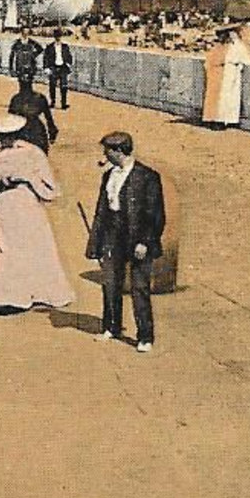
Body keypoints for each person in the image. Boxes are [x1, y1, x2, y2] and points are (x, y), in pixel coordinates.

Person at [0, 116, 74, 313]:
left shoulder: (32, 153)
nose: (3, 140)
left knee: (33, 247)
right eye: (0, 136)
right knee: (7, 248)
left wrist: (27, 179)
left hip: (26, 204)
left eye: (6, 136)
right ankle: (8, 296)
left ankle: (27, 296)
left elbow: (49, 184)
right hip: (5, 205)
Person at [85, 131, 166, 353]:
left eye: (107, 151)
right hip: (113, 235)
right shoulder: (108, 175)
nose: (104, 155)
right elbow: (101, 211)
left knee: (139, 287)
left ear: (119, 151)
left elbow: (155, 214)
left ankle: (145, 336)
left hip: (137, 238)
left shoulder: (148, 177)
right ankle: (111, 326)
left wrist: (145, 242)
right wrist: (97, 243)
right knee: (110, 283)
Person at [201, 25, 249, 128]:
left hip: (230, 74)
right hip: (219, 74)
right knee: (219, 98)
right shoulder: (219, 47)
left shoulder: (236, 46)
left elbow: (244, 59)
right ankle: (217, 120)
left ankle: (229, 120)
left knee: (230, 98)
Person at [6, 77, 58, 153]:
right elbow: (49, 119)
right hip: (36, 131)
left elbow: (10, 121)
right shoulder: (40, 98)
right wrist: (52, 132)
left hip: (22, 132)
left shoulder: (16, 99)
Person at [44, 29, 74, 109]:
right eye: (57, 36)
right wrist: (46, 67)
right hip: (53, 67)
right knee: (52, 85)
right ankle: (53, 102)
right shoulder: (49, 47)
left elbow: (69, 56)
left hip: (63, 67)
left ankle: (63, 103)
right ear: (54, 37)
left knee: (64, 86)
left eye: (59, 36)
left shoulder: (65, 46)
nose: (58, 38)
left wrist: (68, 63)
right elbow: (46, 58)